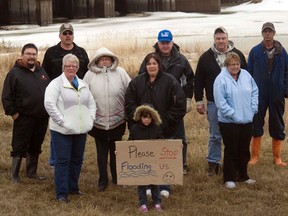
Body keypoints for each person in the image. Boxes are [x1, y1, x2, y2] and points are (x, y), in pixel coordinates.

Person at [125, 52, 186, 198]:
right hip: (143, 129)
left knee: (163, 158)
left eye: (154, 63)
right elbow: (129, 104)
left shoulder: (170, 81)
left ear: (159, 65)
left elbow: (179, 105)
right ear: (145, 66)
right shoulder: (136, 82)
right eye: (149, 64)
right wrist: (140, 121)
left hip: (165, 128)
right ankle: (146, 184)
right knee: (146, 158)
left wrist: (162, 123)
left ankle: (164, 185)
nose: (152, 66)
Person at [139, 29, 194, 176]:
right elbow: (141, 79)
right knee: (156, 133)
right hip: (154, 104)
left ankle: (181, 164)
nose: (165, 46)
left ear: (172, 42)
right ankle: (157, 163)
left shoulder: (181, 60)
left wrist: (188, 98)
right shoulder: (151, 58)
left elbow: (189, 79)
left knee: (178, 136)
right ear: (158, 43)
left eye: (167, 42)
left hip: (175, 104)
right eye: (162, 43)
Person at [194, 26, 247, 176]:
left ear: (227, 38)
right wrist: (199, 100)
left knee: (235, 134)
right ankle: (213, 163)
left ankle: (234, 163)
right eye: (218, 38)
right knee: (215, 135)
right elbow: (198, 80)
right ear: (214, 39)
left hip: (235, 102)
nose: (221, 41)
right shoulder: (206, 57)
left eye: (223, 38)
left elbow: (246, 77)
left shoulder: (237, 55)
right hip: (213, 103)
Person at [44, 54, 96, 203]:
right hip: (62, 131)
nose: (71, 68)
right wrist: (62, 121)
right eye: (68, 66)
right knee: (62, 161)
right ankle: (61, 193)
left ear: (78, 68)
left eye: (74, 65)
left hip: (80, 130)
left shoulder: (82, 84)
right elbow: (49, 104)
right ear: (63, 67)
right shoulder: (55, 84)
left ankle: (73, 187)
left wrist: (90, 119)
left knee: (77, 160)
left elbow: (91, 103)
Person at [42, 23, 90, 168]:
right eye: (65, 33)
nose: (68, 36)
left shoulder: (81, 52)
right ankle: (55, 161)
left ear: (73, 35)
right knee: (58, 128)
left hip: (77, 98)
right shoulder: (51, 52)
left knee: (78, 127)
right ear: (60, 36)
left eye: (70, 33)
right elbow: (44, 75)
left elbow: (87, 74)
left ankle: (77, 159)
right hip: (58, 98)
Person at [83, 47, 131, 192]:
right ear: (96, 60)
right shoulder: (89, 75)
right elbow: (84, 95)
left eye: (107, 58)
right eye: (101, 58)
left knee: (116, 151)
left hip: (118, 120)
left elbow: (131, 89)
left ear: (112, 59)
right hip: (98, 121)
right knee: (101, 152)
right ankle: (103, 180)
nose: (104, 61)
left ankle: (117, 178)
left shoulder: (121, 72)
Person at [2, 43, 50, 183]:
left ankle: (31, 172)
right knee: (19, 146)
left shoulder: (41, 71)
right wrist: (13, 113)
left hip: (41, 117)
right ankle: (15, 175)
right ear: (22, 55)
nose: (31, 56)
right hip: (24, 118)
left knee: (36, 146)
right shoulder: (14, 73)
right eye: (28, 54)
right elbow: (6, 96)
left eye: (34, 54)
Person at [213, 52, 258, 189]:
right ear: (227, 65)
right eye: (232, 64)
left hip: (246, 120)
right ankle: (229, 178)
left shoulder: (246, 75)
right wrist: (233, 114)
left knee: (244, 149)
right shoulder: (221, 79)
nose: (235, 66)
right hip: (228, 122)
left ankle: (243, 176)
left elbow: (255, 91)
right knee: (231, 149)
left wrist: (253, 108)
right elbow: (220, 102)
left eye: (237, 64)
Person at [247, 22, 288, 167]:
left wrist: (285, 89)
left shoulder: (282, 51)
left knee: (277, 123)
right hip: (259, 93)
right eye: (265, 31)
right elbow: (249, 73)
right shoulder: (255, 51)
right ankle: (254, 156)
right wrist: (250, 90)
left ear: (274, 33)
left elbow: (286, 73)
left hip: (277, 93)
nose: (267, 34)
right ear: (262, 33)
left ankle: (277, 158)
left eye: (270, 31)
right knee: (256, 122)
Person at [128, 104, 164, 213]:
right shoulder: (135, 129)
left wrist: (176, 147)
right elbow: (130, 143)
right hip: (140, 162)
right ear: (140, 117)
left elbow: (163, 142)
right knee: (142, 182)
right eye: (144, 117)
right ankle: (142, 203)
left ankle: (157, 201)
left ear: (152, 117)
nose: (147, 120)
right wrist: (120, 152)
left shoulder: (156, 128)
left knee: (155, 182)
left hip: (153, 161)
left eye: (149, 117)